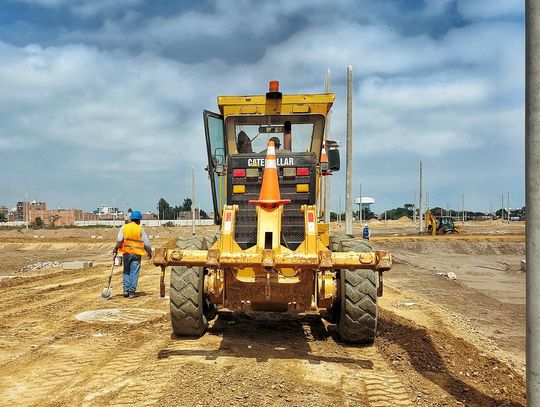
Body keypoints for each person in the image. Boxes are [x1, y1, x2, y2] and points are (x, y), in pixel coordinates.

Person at [114, 210, 152, 298]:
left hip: (126, 253)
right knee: (134, 272)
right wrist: (149, 252)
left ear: (131, 219)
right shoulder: (140, 228)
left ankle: (125, 290)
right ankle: (132, 292)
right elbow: (146, 243)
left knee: (126, 271)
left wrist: (116, 247)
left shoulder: (124, 227)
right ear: (139, 220)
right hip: (136, 254)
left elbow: (119, 240)